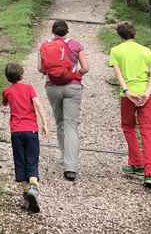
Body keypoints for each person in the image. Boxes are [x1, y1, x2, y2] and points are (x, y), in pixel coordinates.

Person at [108, 20, 151, 189]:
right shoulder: (146, 51)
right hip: (147, 96)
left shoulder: (116, 51)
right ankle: (150, 173)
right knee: (148, 133)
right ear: (134, 33)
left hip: (128, 96)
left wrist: (127, 91)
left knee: (128, 127)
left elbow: (118, 74)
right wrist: (148, 91)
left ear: (119, 35)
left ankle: (137, 162)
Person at [39, 19, 89, 181]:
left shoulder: (45, 45)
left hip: (52, 87)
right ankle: (71, 166)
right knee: (71, 125)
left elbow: (40, 68)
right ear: (67, 31)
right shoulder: (75, 44)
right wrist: (76, 75)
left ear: (53, 31)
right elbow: (86, 67)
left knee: (60, 123)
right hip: (73, 87)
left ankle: (63, 155)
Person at [2, 62, 49, 213]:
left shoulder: (7, 91)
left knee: (20, 162)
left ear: (8, 78)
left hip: (16, 132)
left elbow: (3, 104)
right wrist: (44, 123)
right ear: (22, 75)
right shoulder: (29, 88)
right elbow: (38, 105)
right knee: (32, 160)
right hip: (31, 131)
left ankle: (26, 196)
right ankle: (34, 189)